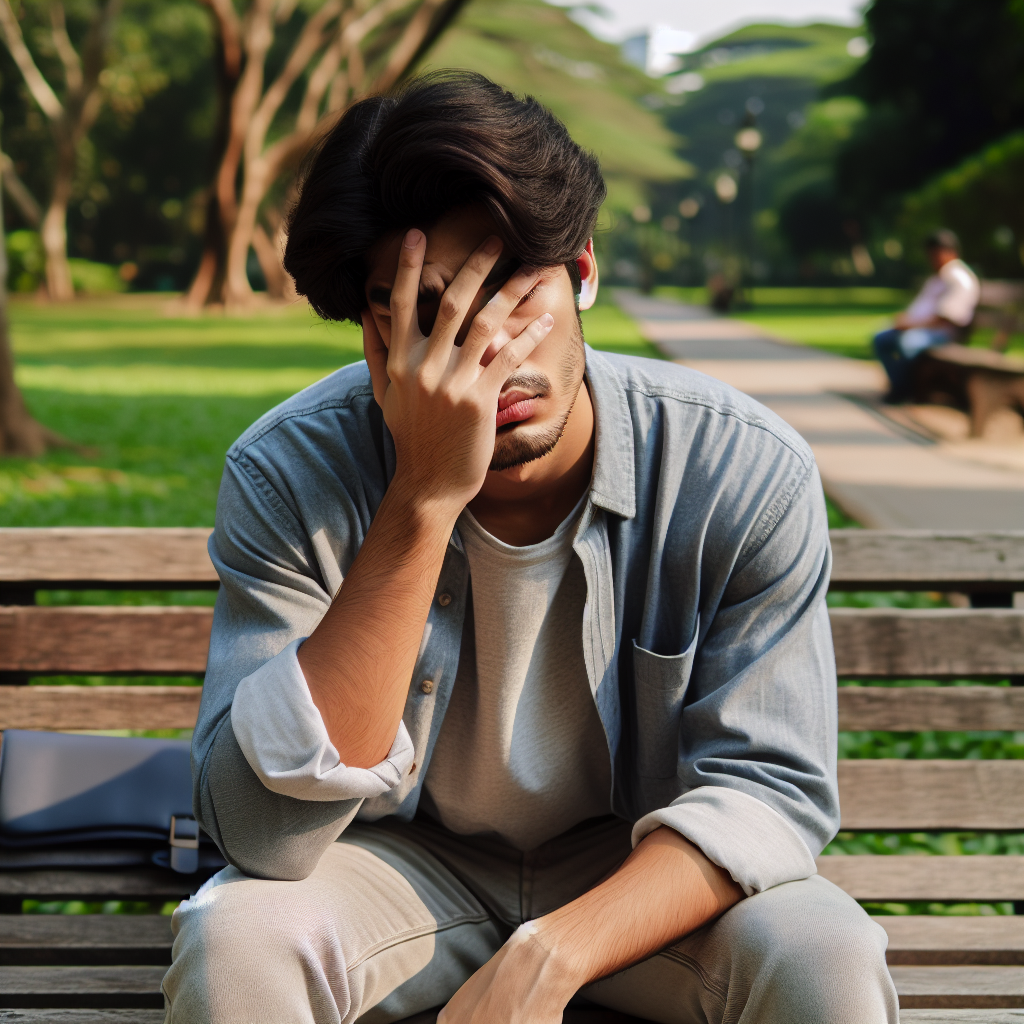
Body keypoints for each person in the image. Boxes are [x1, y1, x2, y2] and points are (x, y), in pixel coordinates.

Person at [163, 73, 896, 1024]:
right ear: (376, 332)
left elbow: (767, 789)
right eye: (431, 308)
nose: (491, 347)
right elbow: (261, 833)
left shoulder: (738, 467)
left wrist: (553, 954)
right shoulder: (290, 472)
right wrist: (423, 498)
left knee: (822, 955)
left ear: (582, 267)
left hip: (643, 866)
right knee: (238, 942)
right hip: (394, 867)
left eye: (514, 288)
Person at [873, 229, 980, 403]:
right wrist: (906, 321)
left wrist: (911, 324)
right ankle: (902, 386)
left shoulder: (958, 277)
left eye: (935, 254)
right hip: (922, 327)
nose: (932, 259)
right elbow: (921, 308)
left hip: (943, 333)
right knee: (881, 338)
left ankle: (907, 390)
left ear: (950, 252)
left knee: (908, 343)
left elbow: (946, 318)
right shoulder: (938, 277)